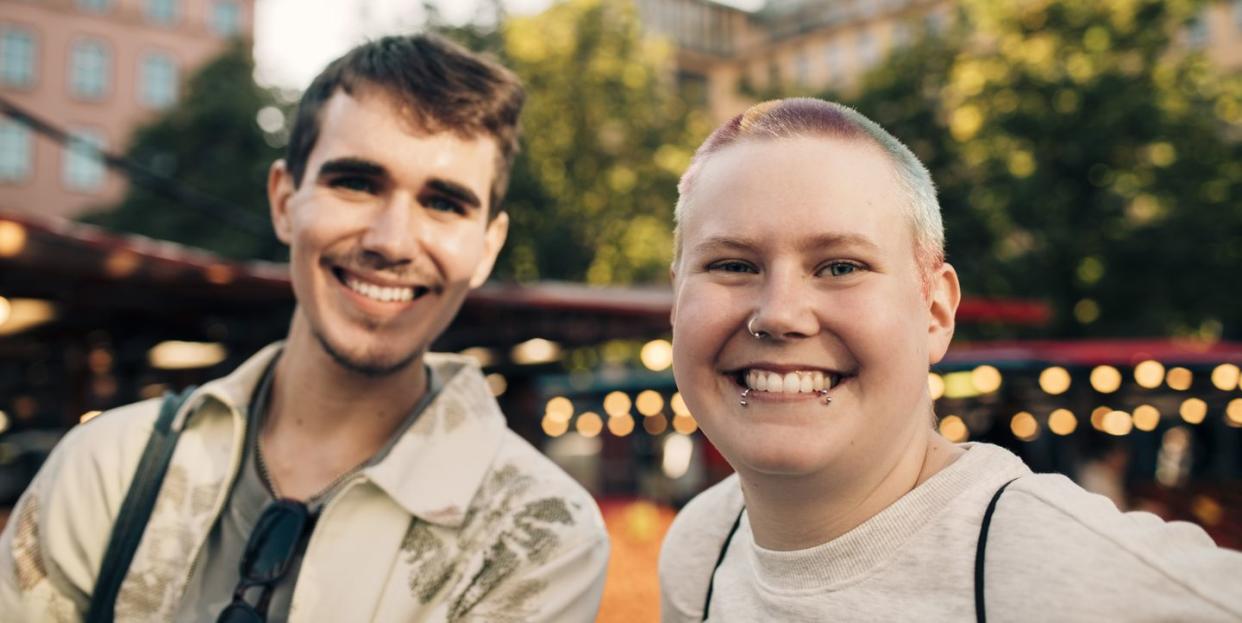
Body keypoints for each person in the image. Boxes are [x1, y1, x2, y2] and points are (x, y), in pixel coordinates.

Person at [0, 34, 609, 622]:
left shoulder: (538, 533)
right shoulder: (108, 468)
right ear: (285, 200)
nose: (392, 241)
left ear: (487, 248)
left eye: (444, 202)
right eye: (356, 183)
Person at [658, 98, 1242, 622]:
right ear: (677, 301)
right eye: (732, 265)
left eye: (841, 267)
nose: (779, 314)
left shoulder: (1073, 574)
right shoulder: (703, 548)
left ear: (935, 311)